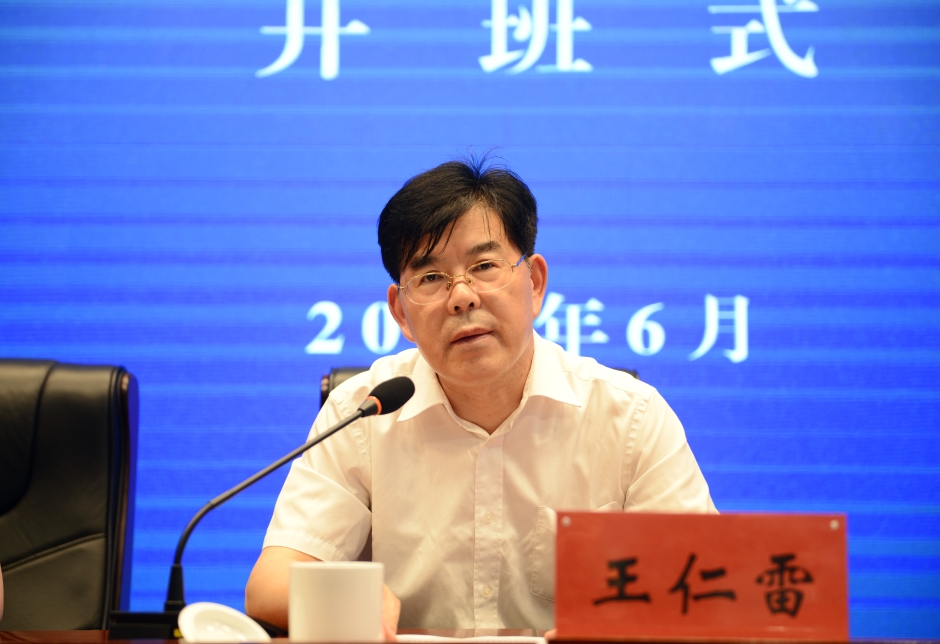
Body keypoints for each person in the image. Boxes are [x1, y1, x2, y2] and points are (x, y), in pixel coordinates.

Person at [245, 157, 716, 636]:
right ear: (401, 312)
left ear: (534, 283)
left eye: (484, 266)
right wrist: (347, 600)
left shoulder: (631, 417)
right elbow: (269, 583)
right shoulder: (361, 414)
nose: (462, 296)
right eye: (431, 277)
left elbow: (705, 589)